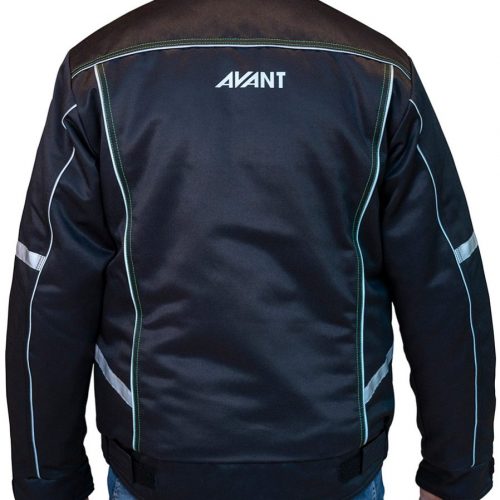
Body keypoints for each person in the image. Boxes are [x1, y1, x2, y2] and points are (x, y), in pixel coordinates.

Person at [6, 1, 495, 499]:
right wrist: (457, 474)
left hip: (162, 469)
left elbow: (49, 293)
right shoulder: (377, 72)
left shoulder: (101, 74)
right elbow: (444, 282)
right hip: (332, 467)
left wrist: (47, 481)